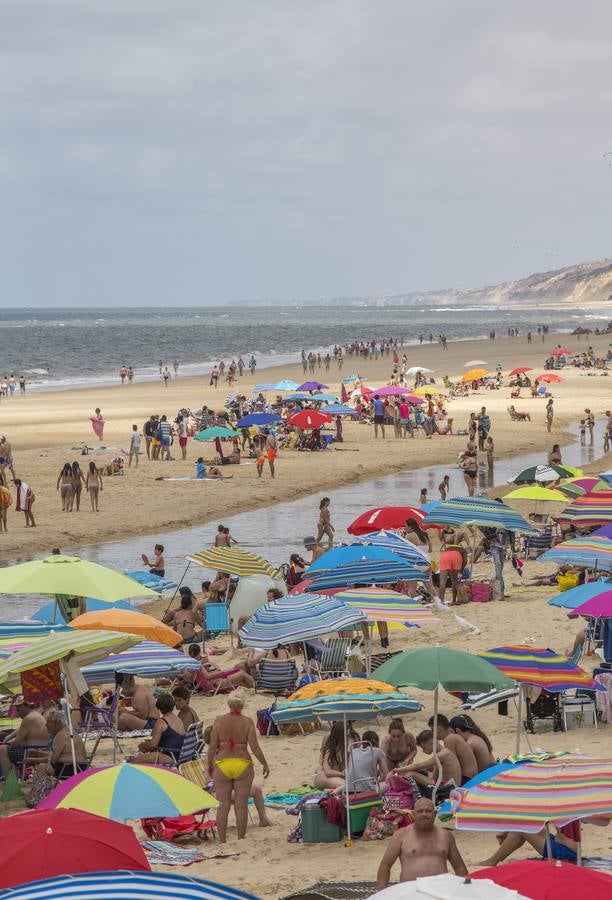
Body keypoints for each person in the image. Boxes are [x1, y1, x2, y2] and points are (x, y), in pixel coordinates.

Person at [207, 695, 269, 842]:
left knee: (222, 806)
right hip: (242, 764)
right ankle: (241, 838)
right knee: (241, 806)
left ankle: (222, 841)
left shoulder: (219, 721)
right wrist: (264, 763)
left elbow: (212, 746)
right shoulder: (247, 722)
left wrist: (209, 764)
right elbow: (254, 747)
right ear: (242, 705)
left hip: (223, 764)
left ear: (229, 704)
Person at [376, 797, 468, 886]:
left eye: (428, 811)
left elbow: (459, 866)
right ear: (413, 814)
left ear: (435, 813)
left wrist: (466, 889)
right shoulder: (401, 835)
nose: (424, 814)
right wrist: (381, 892)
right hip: (411, 890)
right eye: (420, 811)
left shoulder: (446, 836)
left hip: (440, 890)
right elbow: (385, 865)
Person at [394, 729, 462, 791]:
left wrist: (398, 770)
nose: (423, 751)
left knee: (411, 774)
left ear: (432, 743)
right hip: (449, 784)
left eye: (424, 748)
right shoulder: (443, 752)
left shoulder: (441, 755)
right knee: (421, 771)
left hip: (449, 788)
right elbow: (434, 777)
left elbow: (417, 765)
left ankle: (400, 791)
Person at [28, 709, 87, 780]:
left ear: (58, 723)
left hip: (69, 768)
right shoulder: (70, 732)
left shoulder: (61, 735)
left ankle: (39, 787)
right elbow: (54, 754)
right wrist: (39, 753)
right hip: (80, 767)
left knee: (42, 766)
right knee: (44, 765)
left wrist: (33, 760)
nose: (46, 725)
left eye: (49, 722)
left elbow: (52, 759)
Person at [478, 825, 578, 867]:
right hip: (564, 847)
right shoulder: (567, 802)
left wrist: (504, 832)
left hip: (564, 853)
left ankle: (492, 861)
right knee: (524, 829)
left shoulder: (559, 804)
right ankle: (493, 860)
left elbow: (529, 818)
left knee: (522, 830)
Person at [131, 693, 185, 765]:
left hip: (169, 756)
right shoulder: (178, 719)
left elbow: (153, 745)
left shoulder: (162, 722)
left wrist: (143, 744)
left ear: (159, 707)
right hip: (179, 754)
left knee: (134, 761)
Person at [0, 700, 50, 777]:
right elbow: (21, 728)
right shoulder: (36, 715)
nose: (17, 712)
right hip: (43, 749)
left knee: (2, 750)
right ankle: (15, 776)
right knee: (7, 750)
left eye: (18, 709)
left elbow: (17, 743)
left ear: (25, 706)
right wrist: (9, 737)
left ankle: (10, 779)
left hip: (31, 752)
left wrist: (7, 743)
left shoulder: (28, 719)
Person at [428, 714, 477, 784]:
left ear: (438, 729)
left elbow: (451, 766)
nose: (432, 734)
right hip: (471, 777)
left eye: (432, 730)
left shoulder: (449, 739)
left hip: (467, 780)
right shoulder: (453, 737)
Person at [313, 721, 355, 790]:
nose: (348, 737)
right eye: (346, 735)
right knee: (346, 785)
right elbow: (328, 772)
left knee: (352, 784)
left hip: (338, 775)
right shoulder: (329, 751)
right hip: (324, 775)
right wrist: (342, 774)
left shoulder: (345, 747)